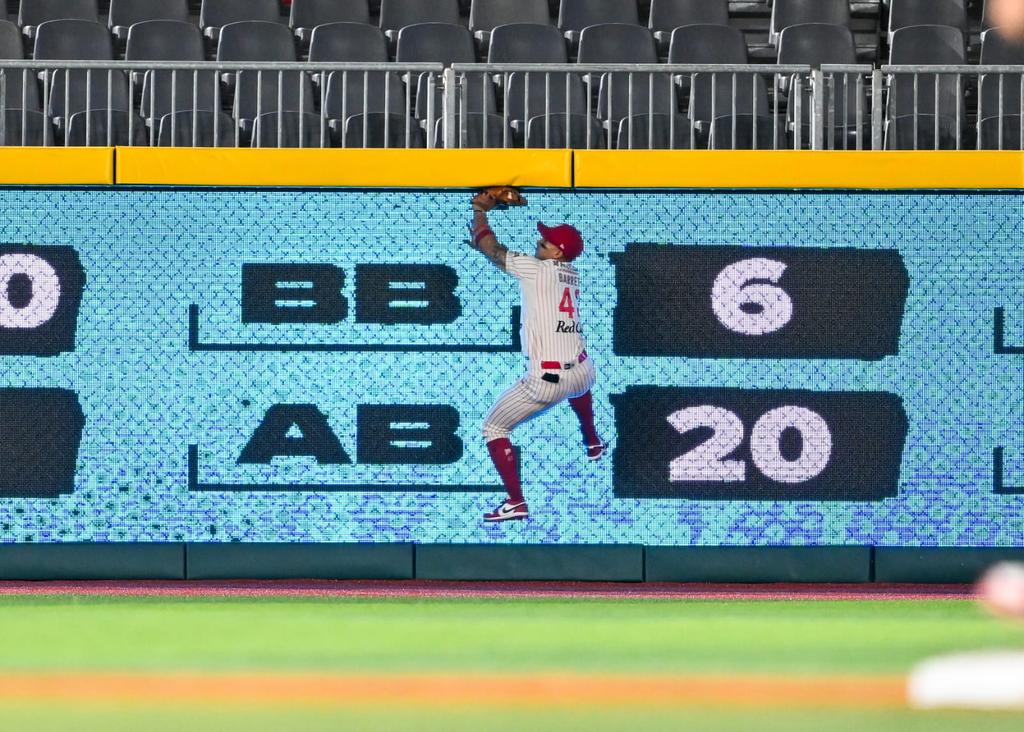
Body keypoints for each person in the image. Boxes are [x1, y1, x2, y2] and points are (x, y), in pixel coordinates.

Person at [468, 187, 605, 522]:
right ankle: (592, 441)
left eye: (544, 244)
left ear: (558, 253)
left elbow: (492, 248)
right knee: (581, 386)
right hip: (583, 371)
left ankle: (515, 502)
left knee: (494, 428)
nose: (538, 244)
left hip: (548, 380)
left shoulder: (538, 270)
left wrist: (480, 211)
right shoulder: (571, 273)